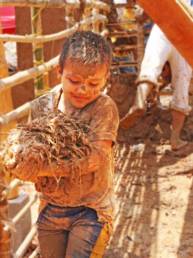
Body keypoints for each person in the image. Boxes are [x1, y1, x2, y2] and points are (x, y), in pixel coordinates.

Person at [13, 31, 119, 258]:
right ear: (59, 72)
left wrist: (43, 169)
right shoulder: (43, 106)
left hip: (91, 210)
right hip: (51, 208)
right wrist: (19, 163)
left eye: (94, 83)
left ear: (106, 77)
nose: (83, 89)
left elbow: (94, 159)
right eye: (75, 81)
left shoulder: (103, 108)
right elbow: (28, 153)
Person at [120, 22, 192, 151]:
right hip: (186, 30)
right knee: (182, 82)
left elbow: (143, 15)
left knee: (150, 66)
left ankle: (139, 102)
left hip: (162, 28)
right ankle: (175, 139)